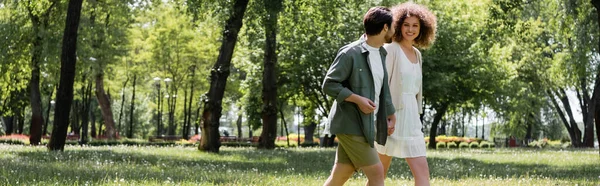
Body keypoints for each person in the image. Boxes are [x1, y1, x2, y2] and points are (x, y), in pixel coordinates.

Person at [322, 6, 397, 186]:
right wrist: (357, 99)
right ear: (385, 27)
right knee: (377, 173)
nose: (395, 30)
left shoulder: (381, 52)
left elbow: (382, 89)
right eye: (393, 26)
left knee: (341, 174)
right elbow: (329, 84)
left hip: (366, 124)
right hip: (351, 123)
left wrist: (390, 113)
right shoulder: (351, 53)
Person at [375, 2, 437, 186]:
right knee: (379, 175)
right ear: (398, 25)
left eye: (415, 25)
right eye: (406, 24)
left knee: (423, 174)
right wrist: (384, 116)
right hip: (391, 116)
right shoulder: (390, 49)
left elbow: (416, 90)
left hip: (411, 120)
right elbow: (381, 86)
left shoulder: (417, 54)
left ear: (422, 28)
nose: (410, 29)